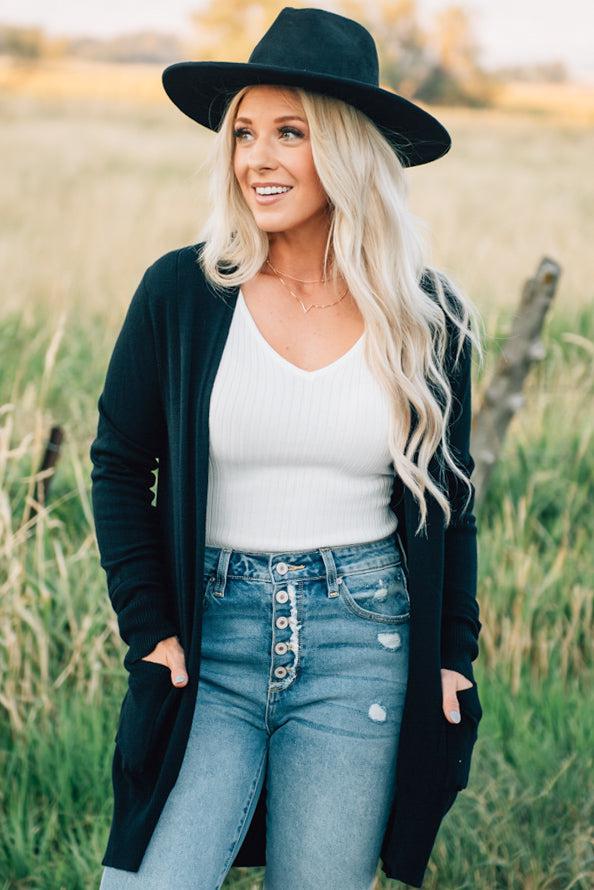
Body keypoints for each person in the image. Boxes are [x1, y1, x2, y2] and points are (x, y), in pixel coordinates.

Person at [92, 7, 485, 889]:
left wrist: (452, 651)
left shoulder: (426, 315)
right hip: (211, 634)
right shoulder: (182, 293)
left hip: (364, 638)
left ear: (347, 149)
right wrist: (149, 629)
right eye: (244, 133)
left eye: (290, 133)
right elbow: (120, 466)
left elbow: (451, 505)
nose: (256, 159)